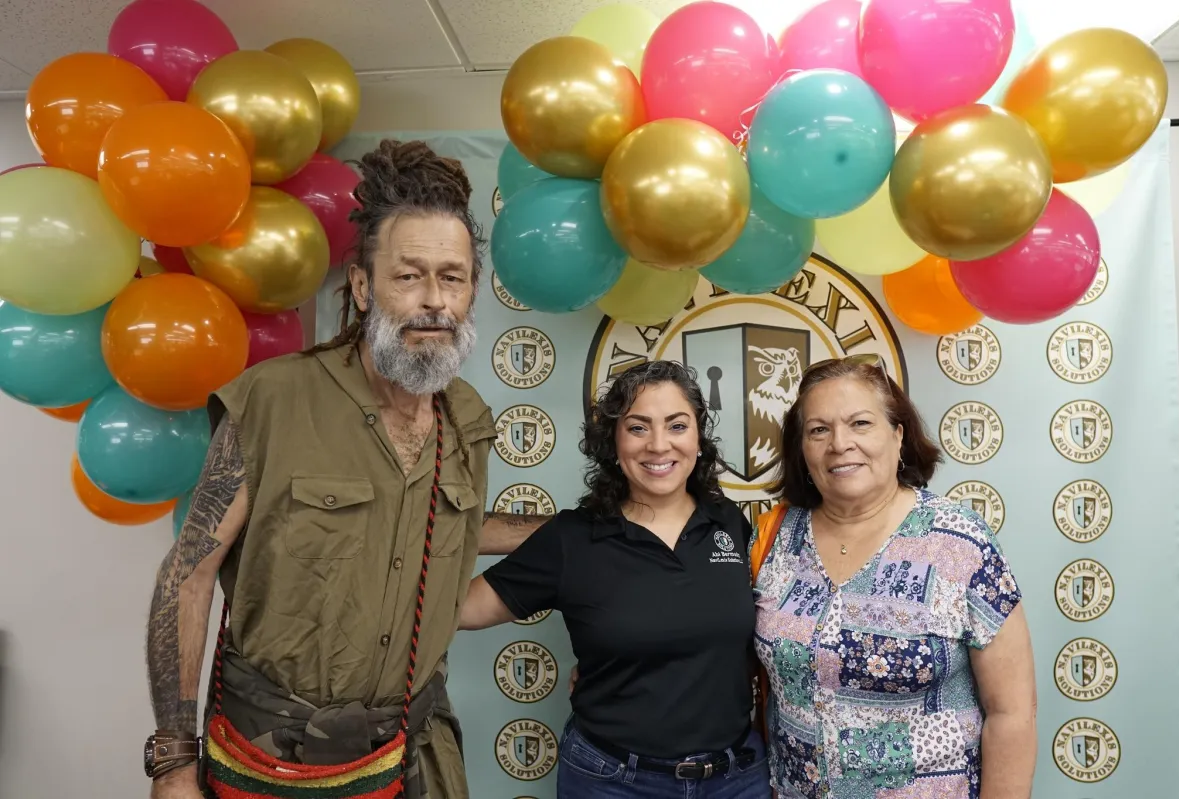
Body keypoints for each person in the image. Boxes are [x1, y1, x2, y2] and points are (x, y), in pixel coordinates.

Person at [142, 140, 551, 799]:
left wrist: (582, 528)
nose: (434, 301)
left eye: (452, 278)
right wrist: (173, 760)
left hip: (413, 754)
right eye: (408, 276)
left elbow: (442, 530)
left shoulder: (468, 419)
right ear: (362, 286)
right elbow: (187, 576)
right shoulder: (273, 399)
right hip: (273, 757)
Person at [459, 360, 772, 798]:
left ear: (698, 437)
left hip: (736, 779)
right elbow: (458, 610)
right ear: (613, 441)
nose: (658, 445)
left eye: (677, 425)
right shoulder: (573, 538)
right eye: (638, 427)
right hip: (613, 783)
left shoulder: (729, 522)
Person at [748, 355, 1036, 799]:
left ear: (898, 435)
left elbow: (1012, 712)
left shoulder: (959, 541)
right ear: (801, 449)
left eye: (860, 423)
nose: (840, 443)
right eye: (819, 430)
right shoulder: (775, 538)